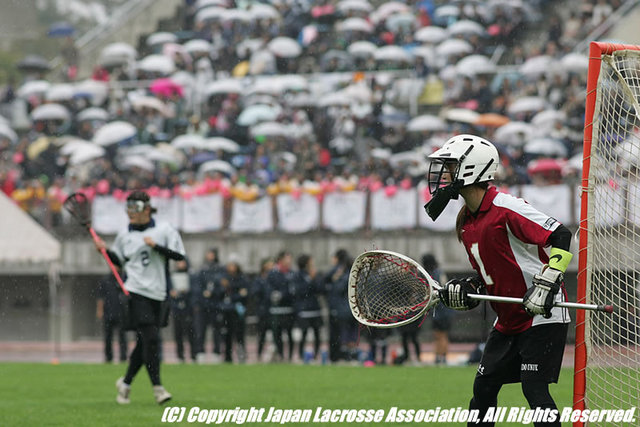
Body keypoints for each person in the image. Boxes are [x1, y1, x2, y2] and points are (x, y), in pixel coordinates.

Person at [425, 134, 572, 427]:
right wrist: (469, 288)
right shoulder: (466, 220)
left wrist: (546, 283)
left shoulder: (505, 206)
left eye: (451, 166)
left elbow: (561, 235)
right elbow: (490, 274)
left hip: (542, 313)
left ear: (471, 168)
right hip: (508, 319)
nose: (446, 174)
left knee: (534, 389)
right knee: (483, 390)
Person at [94, 190, 186, 405]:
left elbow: (179, 256)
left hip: (158, 293)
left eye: (134, 209)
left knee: (145, 341)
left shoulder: (164, 230)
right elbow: (118, 262)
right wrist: (104, 251)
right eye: (127, 209)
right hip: (135, 291)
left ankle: (125, 384)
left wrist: (156, 246)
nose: (130, 214)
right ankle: (158, 388)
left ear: (146, 209)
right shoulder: (124, 235)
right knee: (152, 338)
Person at [423, 253, 453, 365]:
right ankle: (439, 356)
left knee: (441, 334)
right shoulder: (436, 273)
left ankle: (442, 356)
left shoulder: (436, 274)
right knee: (439, 334)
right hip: (440, 310)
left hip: (442, 310)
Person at [292, 254, 323, 362]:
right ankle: (300, 356)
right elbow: (300, 291)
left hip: (315, 308)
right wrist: (310, 279)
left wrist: (314, 279)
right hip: (304, 309)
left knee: (317, 333)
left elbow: (319, 289)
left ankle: (316, 356)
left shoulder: (314, 274)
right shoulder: (297, 275)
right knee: (303, 333)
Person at [195, 248, 223, 363]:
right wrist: (202, 295)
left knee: (216, 331)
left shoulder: (220, 269)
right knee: (201, 330)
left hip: (215, 306)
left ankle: (216, 353)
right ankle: (200, 353)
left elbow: (222, 287)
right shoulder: (202, 270)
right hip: (203, 306)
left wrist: (214, 292)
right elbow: (197, 287)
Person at [266, 251, 296, 361]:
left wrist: (282, 295)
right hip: (276, 309)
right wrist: (273, 295)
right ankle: (280, 355)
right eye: (287, 258)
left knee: (289, 333)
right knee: (277, 334)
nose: (289, 261)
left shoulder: (292, 274)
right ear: (281, 260)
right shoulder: (273, 273)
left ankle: (290, 356)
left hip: (288, 309)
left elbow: (292, 290)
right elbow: (268, 288)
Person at [96, 270, 128, 363]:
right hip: (108, 312)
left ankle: (123, 356)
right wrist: (100, 310)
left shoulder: (124, 278)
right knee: (108, 336)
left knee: (122, 336)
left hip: (121, 312)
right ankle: (108, 357)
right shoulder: (105, 280)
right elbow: (100, 297)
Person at [169, 258, 197, 363]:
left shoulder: (191, 275)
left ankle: (193, 355)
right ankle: (180, 355)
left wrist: (185, 294)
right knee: (178, 333)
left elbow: (194, 291)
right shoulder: (173, 275)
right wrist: (174, 295)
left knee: (190, 332)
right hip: (177, 308)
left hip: (188, 308)